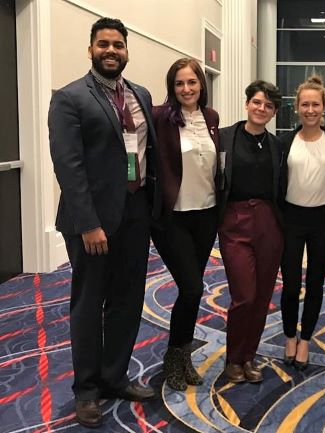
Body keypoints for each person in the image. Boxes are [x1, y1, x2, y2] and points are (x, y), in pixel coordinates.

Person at [48, 18, 160, 428]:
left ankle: (115, 376)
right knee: (88, 302)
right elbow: (69, 166)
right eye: (103, 44)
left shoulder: (141, 95)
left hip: (135, 213)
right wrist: (88, 223)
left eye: (118, 45)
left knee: (129, 300)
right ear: (91, 48)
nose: (111, 50)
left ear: (127, 50)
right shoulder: (70, 97)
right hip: (91, 221)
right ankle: (87, 389)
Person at [151, 58, 219, 390]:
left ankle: (183, 355)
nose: (186, 89)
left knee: (190, 293)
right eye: (179, 83)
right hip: (172, 218)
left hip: (206, 216)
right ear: (172, 87)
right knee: (192, 288)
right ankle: (173, 356)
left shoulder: (211, 118)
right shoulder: (160, 118)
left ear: (201, 86)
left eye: (192, 82)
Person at [218, 80, 284, 383]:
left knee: (262, 295)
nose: (261, 108)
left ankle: (249, 357)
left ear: (273, 113)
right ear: (247, 104)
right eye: (257, 102)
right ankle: (233, 358)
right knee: (243, 294)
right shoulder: (224, 138)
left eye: (268, 105)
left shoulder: (276, 146)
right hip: (234, 221)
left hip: (269, 222)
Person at [279, 76, 325, 370]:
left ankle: (306, 339)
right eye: (304, 104)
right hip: (291, 219)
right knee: (291, 285)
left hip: (322, 221)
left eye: (315, 104)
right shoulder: (284, 143)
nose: (310, 110)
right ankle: (290, 335)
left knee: (316, 283)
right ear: (297, 107)